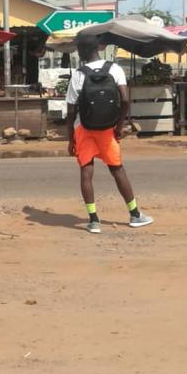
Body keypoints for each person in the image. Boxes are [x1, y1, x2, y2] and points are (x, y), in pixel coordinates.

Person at [66, 35, 153, 234]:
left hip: (83, 128)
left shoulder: (78, 75)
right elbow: (124, 100)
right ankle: (135, 215)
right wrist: (119, 125)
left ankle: (94, 220)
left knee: (86, 172)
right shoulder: (115, 69)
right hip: (107, 129)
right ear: (99, 47)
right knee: (117, 170)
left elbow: (70, 112)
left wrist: (71, 139)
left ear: (81, 52)